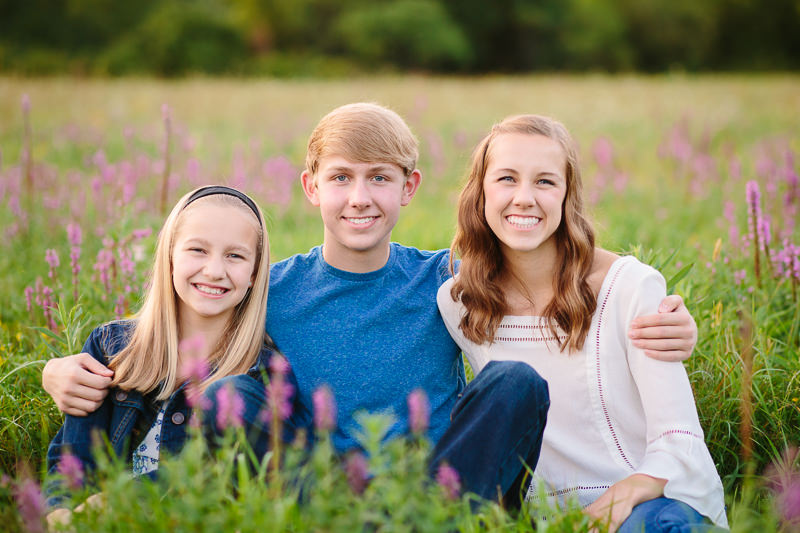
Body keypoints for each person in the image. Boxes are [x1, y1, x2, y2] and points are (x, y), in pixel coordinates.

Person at [42, 103, 699, 506]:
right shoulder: (270, 286)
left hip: (442, 491)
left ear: (410, 186)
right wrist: (62, 367)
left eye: (380, 178)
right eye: (342, 178)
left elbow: (544, 253)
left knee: (513, 383)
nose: (360, 197)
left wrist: (651, 293)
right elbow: (180, 315)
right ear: (311, 188)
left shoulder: (447, 277)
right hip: (316, 496)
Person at [437, 114, 727, 529]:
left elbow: (678, 437)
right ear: (479, 192)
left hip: (645, 500)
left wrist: (624, 495)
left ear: (567, 195)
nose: (523, 198)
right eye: (506, 179)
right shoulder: (459, 300)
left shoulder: (630, 288)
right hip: (539, 517)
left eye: (544, 181)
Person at [45, 186, 306, 524]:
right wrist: (61, 513)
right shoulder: (111, 349)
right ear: (169, 257)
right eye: (197, 250)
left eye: (235, 256)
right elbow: (73, 464)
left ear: (255, 273)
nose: (214, 271)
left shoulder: (260, 375)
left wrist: (118, 503)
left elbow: (214, 477)